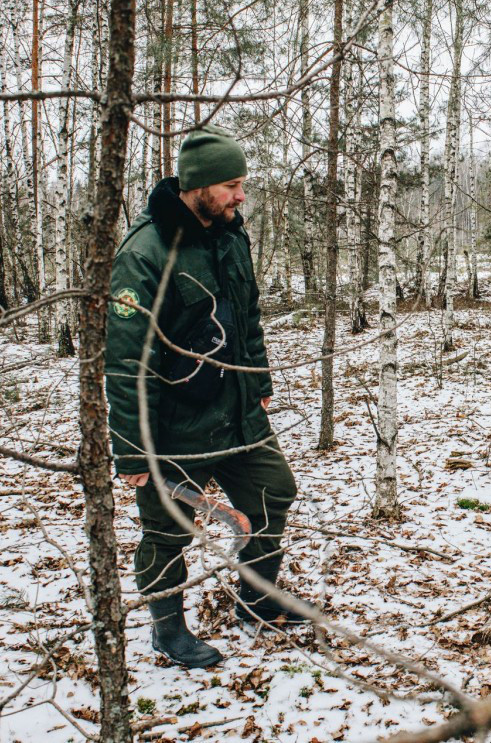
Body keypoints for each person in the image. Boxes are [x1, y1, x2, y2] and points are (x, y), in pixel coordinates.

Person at [105, 125, 306, 669]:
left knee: (273, 494)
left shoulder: (230, 234)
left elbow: (248, 317)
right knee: (168, 532)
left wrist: (258, 382)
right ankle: (168, 630)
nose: (242, 196)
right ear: (198, 187)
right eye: (232, 185)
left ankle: (259, 602)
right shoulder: (145, 252)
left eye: (242, 184)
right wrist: (131, 449)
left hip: (240, 413)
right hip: (176, 426)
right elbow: (126, 361)